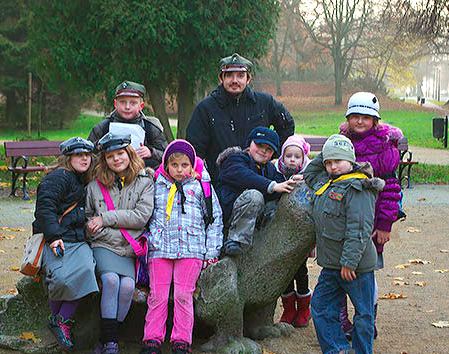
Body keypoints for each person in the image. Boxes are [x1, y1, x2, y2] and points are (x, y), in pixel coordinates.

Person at [132, 139, 223, 354]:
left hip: (191, 250)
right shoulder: (155, 184)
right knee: (157, 296)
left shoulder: (202, 186)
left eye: (184, 165)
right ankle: (152, 344)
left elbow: (214, 220)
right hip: (160, 249)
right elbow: (145, 214)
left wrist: (211, 252)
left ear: (192, 165)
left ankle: (181, 344)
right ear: (166, 165)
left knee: (184, 296)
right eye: (175, 165)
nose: (180, 170)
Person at [304, 134, 383, 354]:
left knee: (363, 313)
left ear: (350, 159)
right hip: (331, 265)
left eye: (338, 161)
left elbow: (359, 229)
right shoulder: (327, 183)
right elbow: (309, 174)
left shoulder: (358, 187)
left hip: (355, 267)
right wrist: (328, 149)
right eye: (328, 162)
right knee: (320, 305)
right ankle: (338, 350)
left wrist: (349, 262)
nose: (332, 166)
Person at [84, 132, 154, 354]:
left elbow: (141, 217)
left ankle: (105, 338)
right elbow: (89, 225)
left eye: (120, 154)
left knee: (127, 287)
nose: (116, 159)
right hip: (104, 246)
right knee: (112, 281)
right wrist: (106, 227)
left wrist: (106, 218)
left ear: (129, 153)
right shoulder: (94, 187)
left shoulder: (145, 181)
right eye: (110, 156)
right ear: (104, 160)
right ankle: (112, 343)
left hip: (130, 249)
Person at [339, 92, 403, 341]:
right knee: (338, 269)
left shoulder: (384, 146)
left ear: (375, 120)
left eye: (366, 117)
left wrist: (386, 223)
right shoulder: (343, 141)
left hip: (372, 222)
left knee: (366, 273)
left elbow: (390, 189)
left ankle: (366, 317)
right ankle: (341, 318)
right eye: (355, 116)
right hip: (344, 219)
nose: (360, 121)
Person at [32, 137, 99, 351]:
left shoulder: (84, 179)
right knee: (60, 278)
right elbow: (45, 208)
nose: (84, 159)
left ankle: (61, 320)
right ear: (68, 158)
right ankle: (58, 320)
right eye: (79, 155)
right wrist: (53, 237)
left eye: (87, 155)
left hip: (78, 239)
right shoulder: (58, 177)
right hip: (57, 238)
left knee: (88, 271)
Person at [186, 53, 295, 182]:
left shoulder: (265, 103)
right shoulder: (206, 108)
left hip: (260, 181)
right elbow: (194, 149)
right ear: (221, 78)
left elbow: (287, 125)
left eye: (240, 75)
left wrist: (272, 153)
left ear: (248, 79)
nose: (235, 81)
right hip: (221, 183)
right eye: (229, 75)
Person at [216, 126, 296, 256]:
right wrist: (271, 185)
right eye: (259, 145)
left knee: (278, 201)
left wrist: (293, 181)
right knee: (255, 195)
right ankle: (234, 241)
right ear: (249, 145)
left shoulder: (269, 168)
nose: (263, 151)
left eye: (268, 149)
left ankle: (268, 238)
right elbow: (244, 176)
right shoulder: (235, 159)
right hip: (229, 214)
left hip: (255, 217)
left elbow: (280, 184)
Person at [276, 135, 313, 328]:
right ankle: (289, 308)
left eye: (296, 156)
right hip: (282, 232)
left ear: (303, 158)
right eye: (288, 155)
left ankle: (304, 308)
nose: (292, 159)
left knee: (300, 269)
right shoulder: (276, 173)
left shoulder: (309, 176)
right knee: (285, 272)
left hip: (300, 234)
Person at [88, 81, 168, 168]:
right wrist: (99, 146)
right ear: (115, 104)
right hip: (109, 177)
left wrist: (151, 152)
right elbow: (87, 154)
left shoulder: (150, 128)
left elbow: (167, 155)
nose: (127, 107)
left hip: (142, 176)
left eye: (133, 103)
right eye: (122, 102)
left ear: (141, 106)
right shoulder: (103, 127)